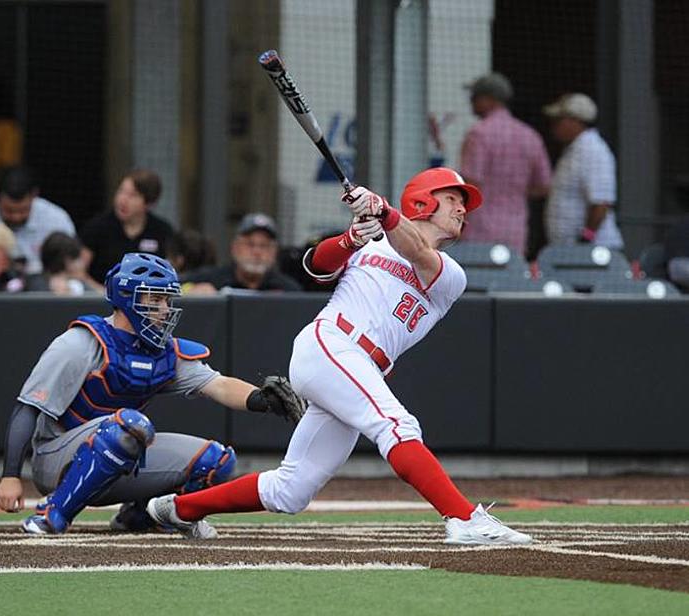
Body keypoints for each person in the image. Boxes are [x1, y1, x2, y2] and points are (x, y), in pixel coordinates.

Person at [146, 167, 533, 546]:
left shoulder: (450, 274)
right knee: (397, 426)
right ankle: (464, 518)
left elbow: (414, 248)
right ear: (422, 201)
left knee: (291, 490)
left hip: (359, 367)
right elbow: (314, 267)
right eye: (452, 199)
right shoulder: (374, 243)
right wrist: (351, 238)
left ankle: (177, 509)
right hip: (331, 343)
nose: (463, 209)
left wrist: (382, 212)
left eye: (463, 203)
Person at [0, 252, 305, 538]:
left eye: (167, 300)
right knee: (130, 425)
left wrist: (264, 400)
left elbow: (219, 385)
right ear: (127, 297)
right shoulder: (80, 342)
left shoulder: (163, 350)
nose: (165, 309)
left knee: (216, 462)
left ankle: (142, 516)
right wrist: (10, 476)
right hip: (56, 458)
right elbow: (27, 409)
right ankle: (52, 514)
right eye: (156, 298)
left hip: (120, 450)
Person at [459, 72, 551, 254]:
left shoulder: (479, 133)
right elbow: (544, 186)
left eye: (475, 97)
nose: (471, 101)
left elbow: (471, 184)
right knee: (510, 279)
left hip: (479, 228)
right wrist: (514, 190)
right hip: (515, 230)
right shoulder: (529, 135)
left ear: (489, 99)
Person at [543, 93, 624, 250]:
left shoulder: (593, 150)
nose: (553, 126)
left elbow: (601, 203)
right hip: (568, 249)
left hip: (593, 252)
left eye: (558, 120)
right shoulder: (574, 149)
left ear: (575, 121)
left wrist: (586, 239)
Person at [80, 169, 176, 283]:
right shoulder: (97, 227)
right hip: (102, 296)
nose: (123, 200)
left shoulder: (162, 230)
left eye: (133, 195)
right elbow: (79, 271)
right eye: (121, 191)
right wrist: (103, 293)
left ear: (149, 203)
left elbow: (172, 272)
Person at [180, 213, 302, 293]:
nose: (257, 251)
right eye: (250, 244)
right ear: (234, 247)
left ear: (274, 252)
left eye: (264, 246)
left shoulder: (288, 290)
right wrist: (191, 291)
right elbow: (173, 289)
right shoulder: (211, 279)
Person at [26, 231, 103, 296]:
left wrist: (85, 279)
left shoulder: (79, 283)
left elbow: (105, 297)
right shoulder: (35, 283)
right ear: (67, 261)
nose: (81, 263)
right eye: (76, 259)